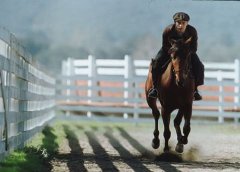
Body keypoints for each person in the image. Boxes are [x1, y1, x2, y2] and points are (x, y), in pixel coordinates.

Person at [148, 12, 204, 101]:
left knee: (200, 66)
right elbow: (165, 45)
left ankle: (195, 90)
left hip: (187, 52)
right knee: (156, 63)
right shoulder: (168, 30)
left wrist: (184, 52)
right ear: (175, 23)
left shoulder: (192, 31)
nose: (180, 26)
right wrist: (174, 51)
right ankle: (154, 89)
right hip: (169, 51)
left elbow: (194, 48)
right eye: (178, 23)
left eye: (183, 23)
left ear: (187, 23)